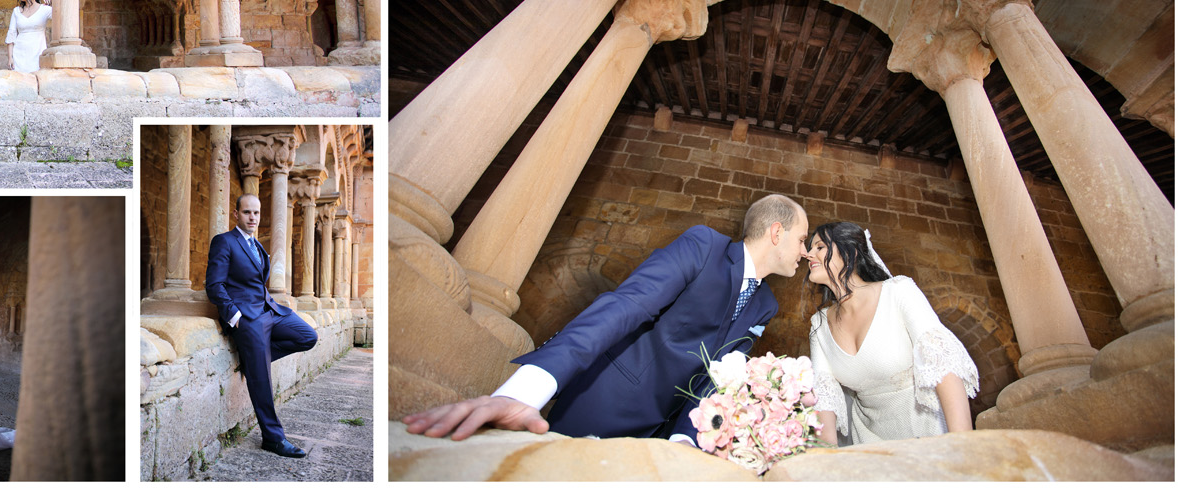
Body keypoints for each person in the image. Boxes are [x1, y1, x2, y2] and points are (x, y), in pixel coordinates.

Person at [402, 194, 810, 444]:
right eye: (803, 239)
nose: (806, 251)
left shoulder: (765, 306)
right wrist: (526, 390)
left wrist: (687, 440)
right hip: (601, 405)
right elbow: (624, 306)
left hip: (658, 438)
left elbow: (718, 380)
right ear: (776, 232)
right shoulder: (704, 246)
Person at [804, 221, 978, 445]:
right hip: (868, 447)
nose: (808, 254)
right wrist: (825, 461)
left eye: (819, 247)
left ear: (851, 252)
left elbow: (944, 366)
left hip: (928, 434)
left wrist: (964, 445)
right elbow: (824, 397)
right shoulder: (819, 325)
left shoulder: (899, 292)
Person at [205, 194, 319, 458]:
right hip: (247, 318)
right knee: (263, 380)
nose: (252, 218)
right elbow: (214, 285)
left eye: (256, 213)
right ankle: (273, 438)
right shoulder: (224, 242)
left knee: (307, 336)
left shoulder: (257, 246)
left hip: (270, 310)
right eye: (247, 213)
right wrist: (235, 317)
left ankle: (253, 362)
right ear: (236, 215)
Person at [4, 0, 52, 72]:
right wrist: (10, 58)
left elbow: (61, 15)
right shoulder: (16, 11)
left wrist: (52, 0)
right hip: (19, 54)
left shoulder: (44, 9)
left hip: (37, 52)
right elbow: (11, 34)